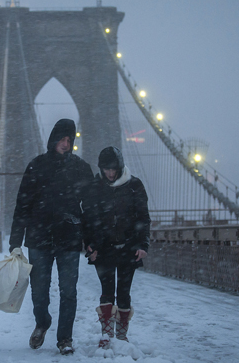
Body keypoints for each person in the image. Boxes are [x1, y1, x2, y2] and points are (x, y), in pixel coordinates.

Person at [9, 118, 93, 355]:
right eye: (62, 139)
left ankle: (64, 338)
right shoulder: (36, 166)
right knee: (39, 290)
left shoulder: (81, 168)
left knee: (68, 292)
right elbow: (22, 205)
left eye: (70, 140)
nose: (65, 144)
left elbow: (92, 208)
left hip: (69, 237)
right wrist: (15, 241)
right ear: (53, 139)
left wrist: (91, 240)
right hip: (39, 238)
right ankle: (42, 322)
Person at [83, 146, 151, 348]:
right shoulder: (95, 186)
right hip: (103, 248)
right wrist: (89, 244)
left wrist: (143, 244)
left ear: (120, 167)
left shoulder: (135, 185)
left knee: (123, 292)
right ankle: (106, 334)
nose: (110, 173)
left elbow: (143, 218)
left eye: (113, 169)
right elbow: (88, 219)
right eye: (106, 169)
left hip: (129, 247)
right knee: (106, 291)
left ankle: (121, 335)